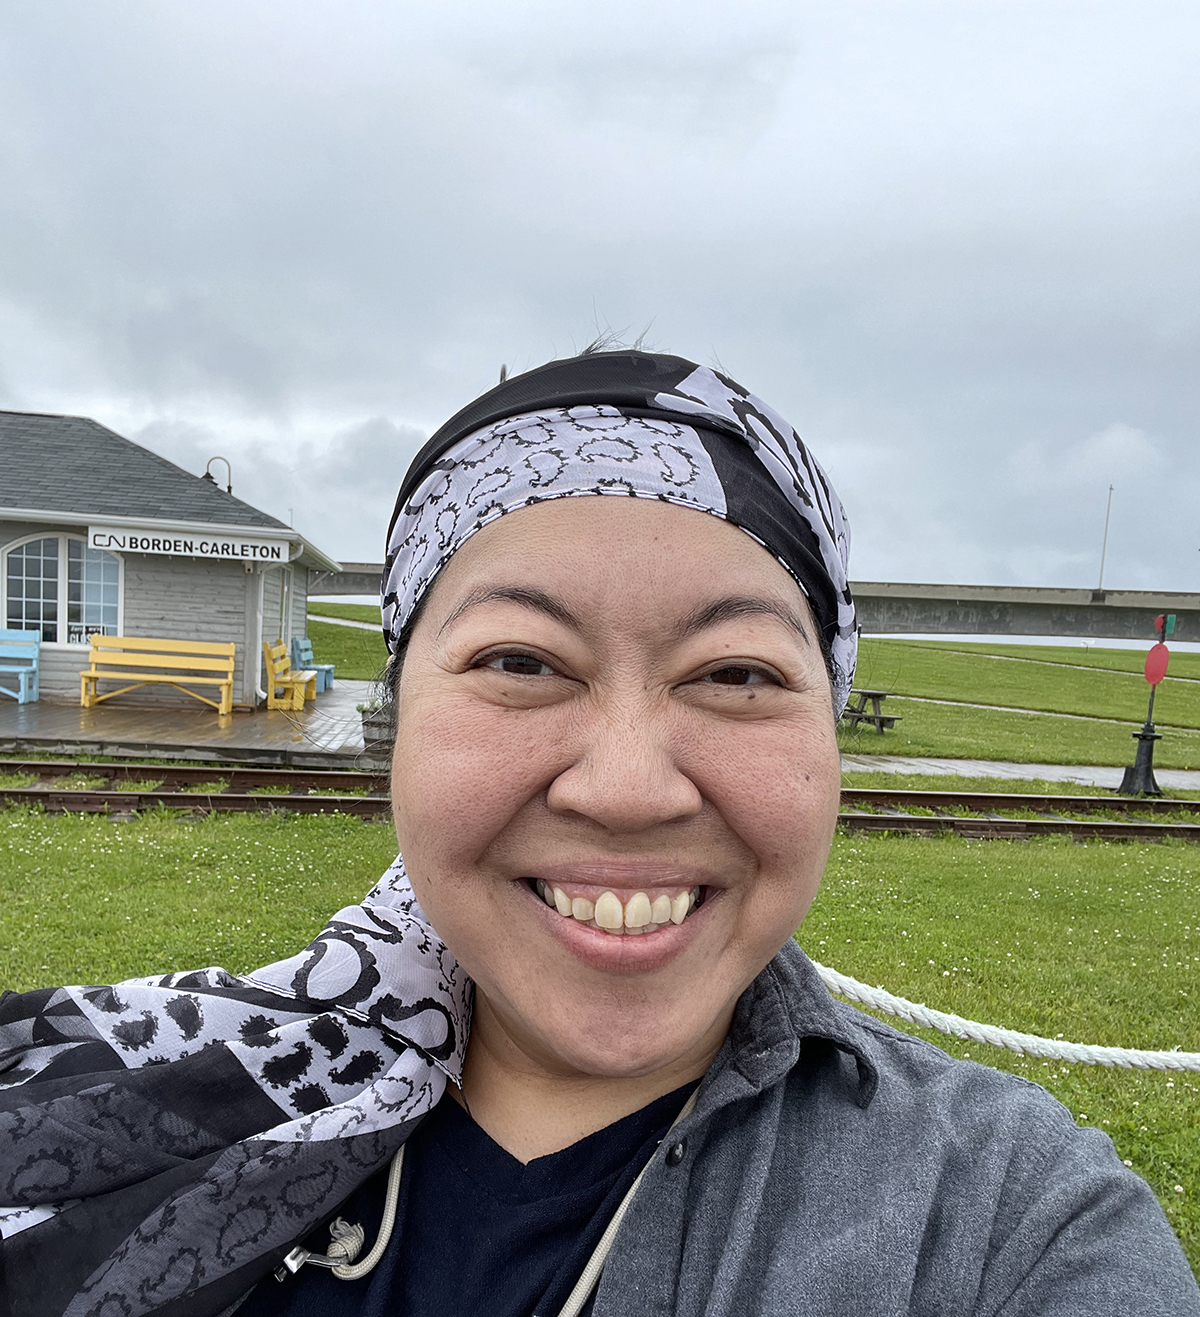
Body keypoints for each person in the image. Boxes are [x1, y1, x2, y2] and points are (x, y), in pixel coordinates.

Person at [1, 349, 1196, 1317]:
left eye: (734, 673)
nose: (627, 791)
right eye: (521, 661)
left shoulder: (1003, 1224)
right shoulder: (86, 1103)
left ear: (829, 733)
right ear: (400, 716)